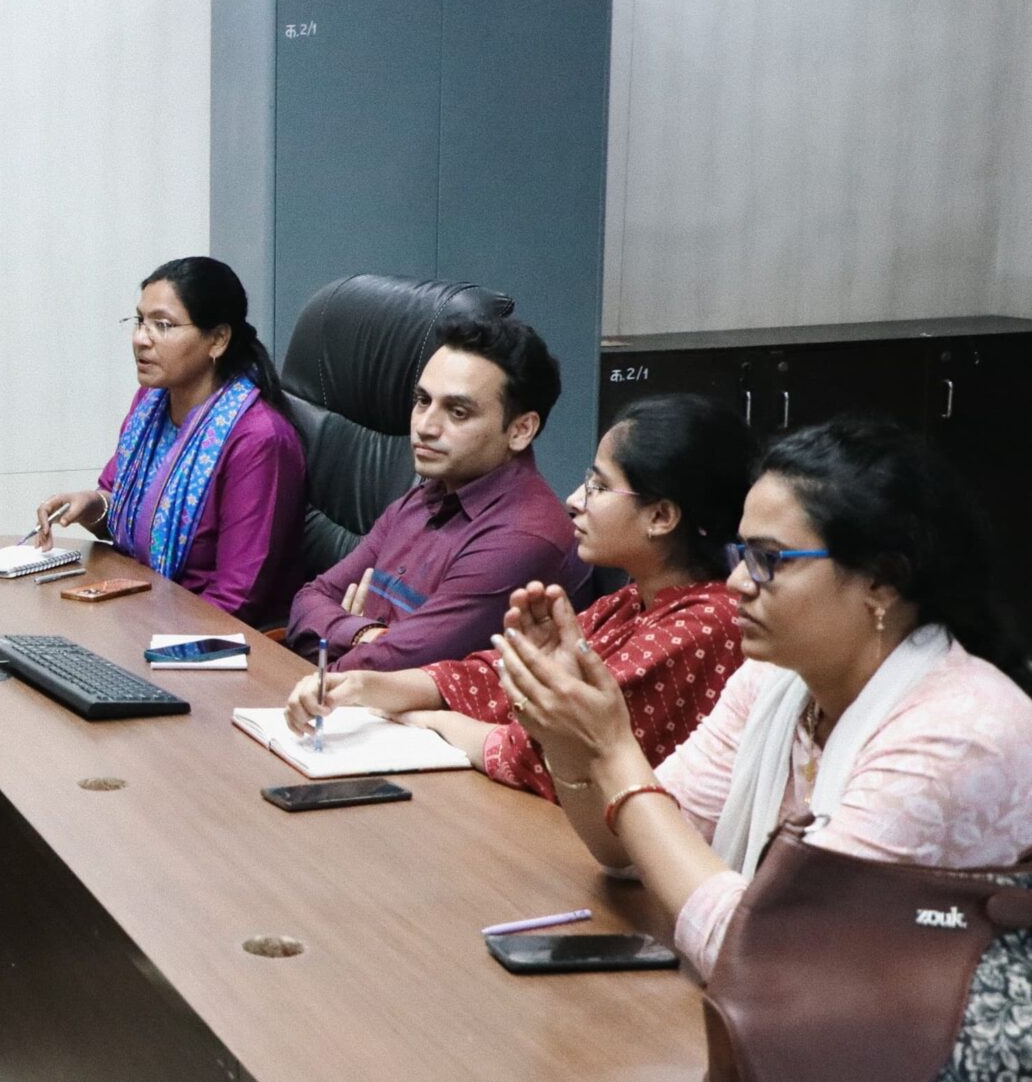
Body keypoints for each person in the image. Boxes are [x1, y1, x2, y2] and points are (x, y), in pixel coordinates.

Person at [494, 416, 1032, 986]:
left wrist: (612, 750)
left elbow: (770, 957)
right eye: (743, 553)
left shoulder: (956, 733)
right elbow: (625, 850)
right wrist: (565, 736)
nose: (737, 584)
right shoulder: (776, 681)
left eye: (770, 559)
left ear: (881, 581)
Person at [283, 394, 753, 798]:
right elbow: (496, 675)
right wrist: (366, 687)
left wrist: (431, 721)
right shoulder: (632, 601)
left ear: (661, 517)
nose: (575, 499)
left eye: (599, 486)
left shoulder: (705, 626)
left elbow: (551, 756)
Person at [284, 309, 585, 670]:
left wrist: (341, 639)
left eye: (457, 412)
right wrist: (364, 633)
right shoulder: (426, 496)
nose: (425, 427)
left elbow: (394, 670)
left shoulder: (524, 537)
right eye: (423, 401)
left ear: (520, 430)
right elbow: (308, 600)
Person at [33, 257, 306, 625]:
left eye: (162, 325)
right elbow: (124, 515)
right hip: (141, 608)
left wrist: (144, 639)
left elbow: (236, 599)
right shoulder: (151, 403)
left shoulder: (257, 440)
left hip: (204, 636)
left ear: (218, 339)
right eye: (139, 321)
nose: (140, 339)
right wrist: (91, 505)